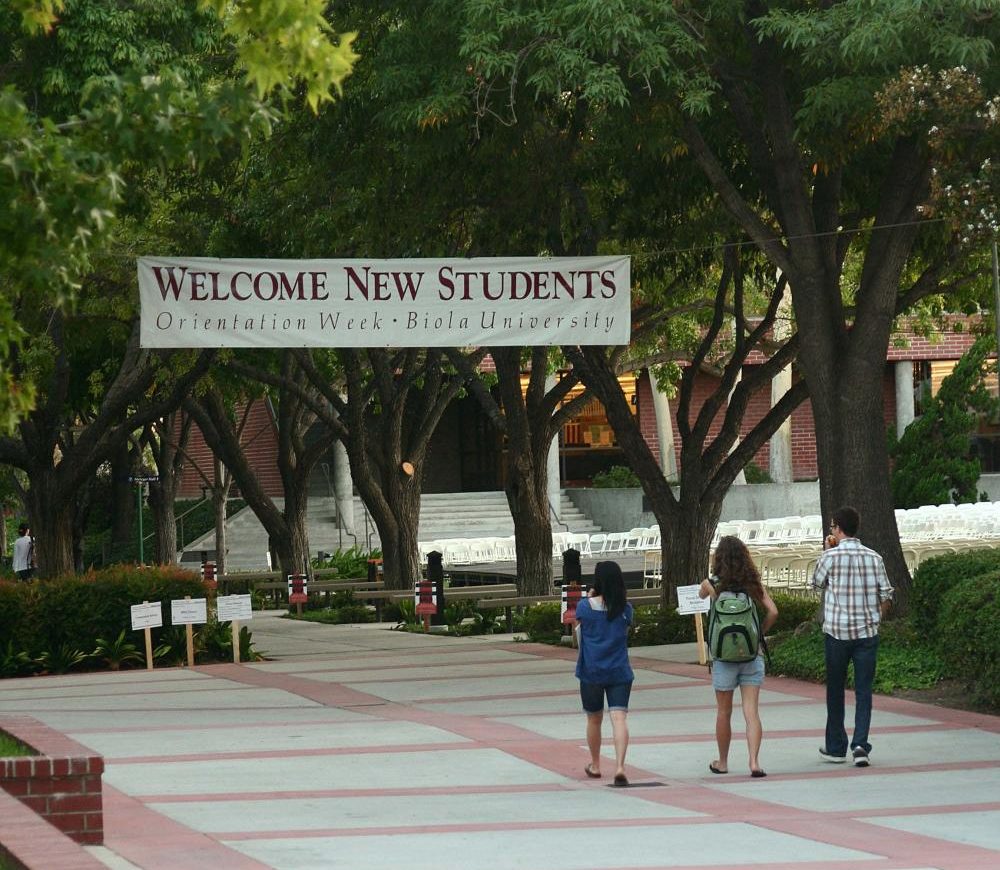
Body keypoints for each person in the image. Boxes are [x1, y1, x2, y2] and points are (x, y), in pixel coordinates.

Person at [812, 506, 894, 768]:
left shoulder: (830, 557)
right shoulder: (875, 557)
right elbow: (887, 594)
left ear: (837, 528)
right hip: (867, 633)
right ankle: (860, 745)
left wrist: (827, 550)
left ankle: (836, 746)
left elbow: (815, 585)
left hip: (837, 632)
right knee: (863, 690)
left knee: (835, 690)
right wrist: (876, 618)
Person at [699, 536, 778, 778]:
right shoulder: (753, 583)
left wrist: (713, 593)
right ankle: (754, 762)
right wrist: (759, 633)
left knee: (724, 712)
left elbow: (701, 597)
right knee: (751, 711)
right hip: (751, 655)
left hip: (723, 657)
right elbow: (774, 611)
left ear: (719, 558)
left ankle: (722, 762)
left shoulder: (711, 583)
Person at [575, 560, 634, 786]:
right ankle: (620, 766)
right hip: (619, 670)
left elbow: (577, 634)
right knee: (619, 718)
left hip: (591, 671)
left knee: (594, 718)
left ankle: (596, 764)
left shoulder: (584, 607)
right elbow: (626, 633)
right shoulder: (626, 610)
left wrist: (590, 595)